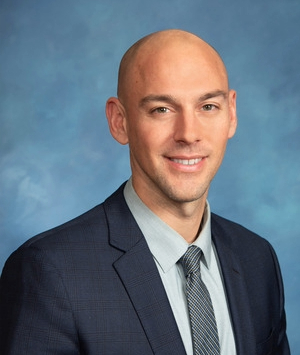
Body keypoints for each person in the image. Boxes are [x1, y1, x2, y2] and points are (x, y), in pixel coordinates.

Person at [0, 29, 290, 355]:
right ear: (119, 121)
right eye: (161, 110)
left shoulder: (257, 259)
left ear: (231, 114)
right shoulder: (51, 274)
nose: (189, 134)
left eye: (208, 106)